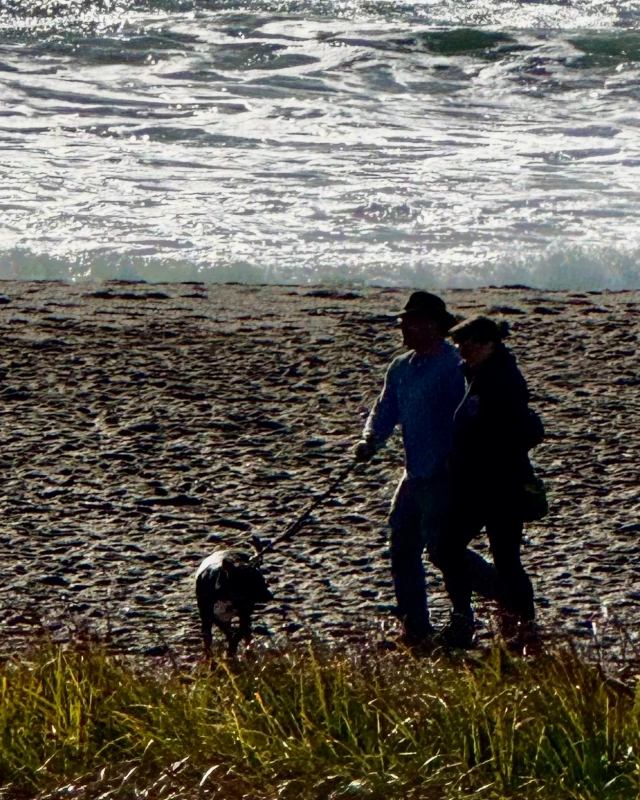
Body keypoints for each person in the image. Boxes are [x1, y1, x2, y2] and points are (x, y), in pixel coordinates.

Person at [353, 292, 503, 646]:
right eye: (404, 321)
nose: (403, 327)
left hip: (444, 472)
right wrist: (370, 439)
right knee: (402, 545)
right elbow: (385, 409)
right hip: (413, 473)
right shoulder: (401, 367)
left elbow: (468, 416)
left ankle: (498, 592)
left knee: (441, 550)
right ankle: (416, 625)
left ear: (434, 326)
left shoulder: (454, 366)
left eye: (412, 321)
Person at [437, 315, 539, 650]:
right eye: (459, 343)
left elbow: (524, 431)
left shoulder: (504, 380)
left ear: (489, 345)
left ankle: (521, 624)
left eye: (469, 343)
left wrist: (486, 450)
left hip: (501, 487)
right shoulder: (474, 375)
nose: (462, 349)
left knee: (504, 557)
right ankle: (485, 613)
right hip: (474, 485)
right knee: (447, 548)